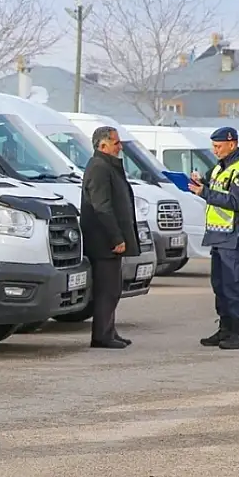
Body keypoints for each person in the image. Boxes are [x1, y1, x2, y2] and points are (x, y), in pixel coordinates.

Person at [187, 126, 239, 350]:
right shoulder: (220, 168)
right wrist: (201, 185)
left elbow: (235, 202)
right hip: (219, 235)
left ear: (232, 144)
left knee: (234, 285)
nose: (214, 150)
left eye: (218, 146)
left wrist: (204, 193)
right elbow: (216, 191)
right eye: (213, 146)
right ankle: (225, 329)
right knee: (219, 285)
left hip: (234, 237)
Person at [79, 126, 141, 349]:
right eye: (116, 143)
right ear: (102, 145)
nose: (120, 146)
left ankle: (109, 330)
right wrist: (116, 237)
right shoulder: (99, 168)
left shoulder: (108, 166)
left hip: (109, 240)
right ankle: (102, 335)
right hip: (103, 241)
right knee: (107, 290)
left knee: (113, 288)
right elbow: (102, 207)